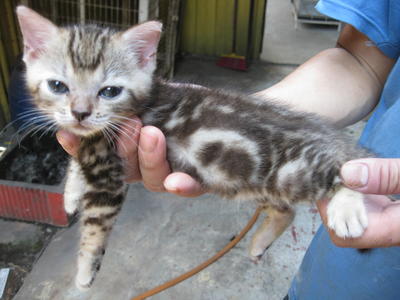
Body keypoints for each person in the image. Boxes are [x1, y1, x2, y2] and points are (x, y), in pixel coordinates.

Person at [57, 0, 400, 298]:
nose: (80, 107)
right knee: (242, 171)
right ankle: (281, 209)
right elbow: (362, 59)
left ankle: (337, 185)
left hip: (360, 200)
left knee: (278, 173)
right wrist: (253, 111)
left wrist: (345, 183)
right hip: (333, 279)